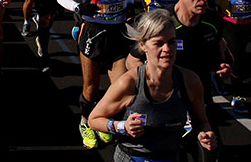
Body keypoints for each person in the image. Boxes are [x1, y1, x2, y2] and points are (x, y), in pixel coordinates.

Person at [125, 0, 230, 161]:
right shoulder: (163, 23)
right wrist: (153, 87)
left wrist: (221, 67)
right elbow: (132, 61)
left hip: (200, 101)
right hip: (167, 105)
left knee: (209, 153)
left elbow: (216, 51)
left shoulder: (212, 20)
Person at [88, 9, 216, 160]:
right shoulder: (129, 82)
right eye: (159, 43)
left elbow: (201, 122)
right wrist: (122, 127)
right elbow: (94, 119)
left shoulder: (190, 81)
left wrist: (204, 135)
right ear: (143, 45)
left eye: (172, 42)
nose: (167, 49)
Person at [57, 0, 135, 149]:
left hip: (118, 31)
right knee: (91, 88)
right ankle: (85, 122)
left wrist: (129, 5)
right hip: (94, 32)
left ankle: (104, 123)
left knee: (120, 86)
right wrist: (79, 7)